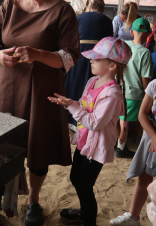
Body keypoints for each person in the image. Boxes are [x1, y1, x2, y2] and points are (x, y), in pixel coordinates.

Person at [0, 0, 80, 226]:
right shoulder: (9, 5)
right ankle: (0, 198)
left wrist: (38, 54)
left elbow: (70, 57)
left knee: (37, 151)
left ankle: (33, 200)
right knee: (0, 148)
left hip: (42, 93)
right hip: (6, 89)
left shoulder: (63, 11)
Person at [48, 37, 132, 226]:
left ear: (112, 66)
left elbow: (95, 122)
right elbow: (85, 107)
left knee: (84, 185)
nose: (91, 60)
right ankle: (84, 212)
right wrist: (69, 103)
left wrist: (71, 106)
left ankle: (88, 218)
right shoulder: (93, 81)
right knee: (75, 178)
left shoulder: (111, 95)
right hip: (84, 142)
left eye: (96, 58)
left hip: (96, 149)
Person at [110, 78, 156, 226]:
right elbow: (142, 114)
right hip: (151, 138)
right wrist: (154, 137)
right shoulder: (154, 85)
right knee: (144, 177)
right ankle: (133, 217)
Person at [65, 0, 113, 131]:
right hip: (97, 59)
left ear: (90, 7)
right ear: (102, 9)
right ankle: (86, 119)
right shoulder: (107, 21)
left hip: (78, 56)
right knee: (90, 86)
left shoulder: (79, 18)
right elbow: (109, 44)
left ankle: (69, 117)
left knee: (74, 84)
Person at [115, 18, 153, 158]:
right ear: (148, 33)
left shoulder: (124, 45)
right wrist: (148, 96)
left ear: (131, 32)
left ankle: (118, 144)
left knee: (120, 118)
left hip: (119, 89)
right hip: (134, 94)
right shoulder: (145, 53)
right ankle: (121, 148)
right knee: (126, 121)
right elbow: (145, 79)